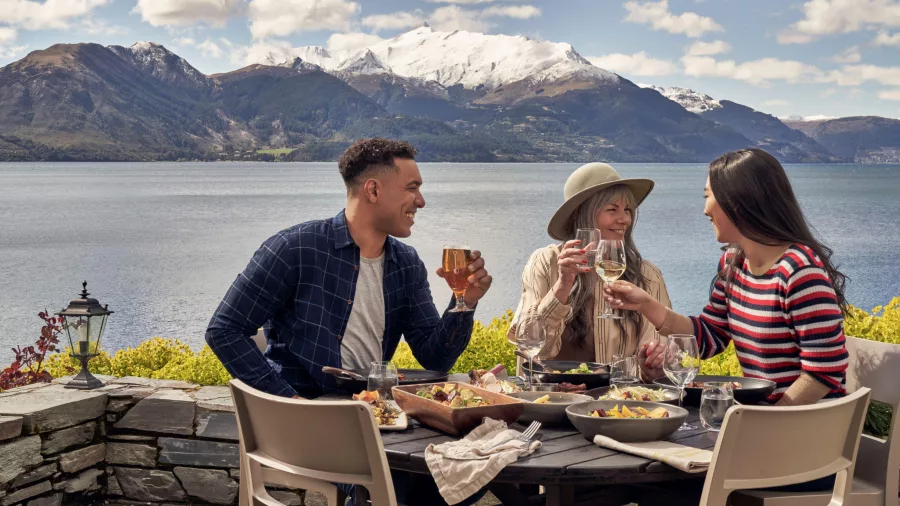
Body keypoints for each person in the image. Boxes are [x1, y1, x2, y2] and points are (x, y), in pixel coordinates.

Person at [206, 138, 492, 505]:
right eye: (412, 188)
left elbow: (434, 357)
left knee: (472, 470)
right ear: (373, 190)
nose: (421, 201)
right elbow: (224, 330)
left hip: (374, 418)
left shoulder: (406, 264)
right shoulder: (295, 248)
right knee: (407, 485)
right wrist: (291, 402)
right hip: (307, 422)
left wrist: (464, 302)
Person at [605, 148, 848, 406]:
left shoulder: (799, 271)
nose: (705, 210)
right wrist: (645, 304)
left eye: (708, 196)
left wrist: (769, 420)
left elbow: (824, 371)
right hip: (762, 414)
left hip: (805, 420)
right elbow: (711, 336)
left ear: (737, 202)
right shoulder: (733, 263)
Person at [508, 162, 672, 380]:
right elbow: (530, 345)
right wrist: (562, 285)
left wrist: (652, 366)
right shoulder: (546, 262)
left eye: (628, 210)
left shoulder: (648, 276)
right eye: (612, 209)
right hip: (550, 396)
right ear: (583, 214)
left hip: (616, 399)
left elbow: (656, 362)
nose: (624, 219)